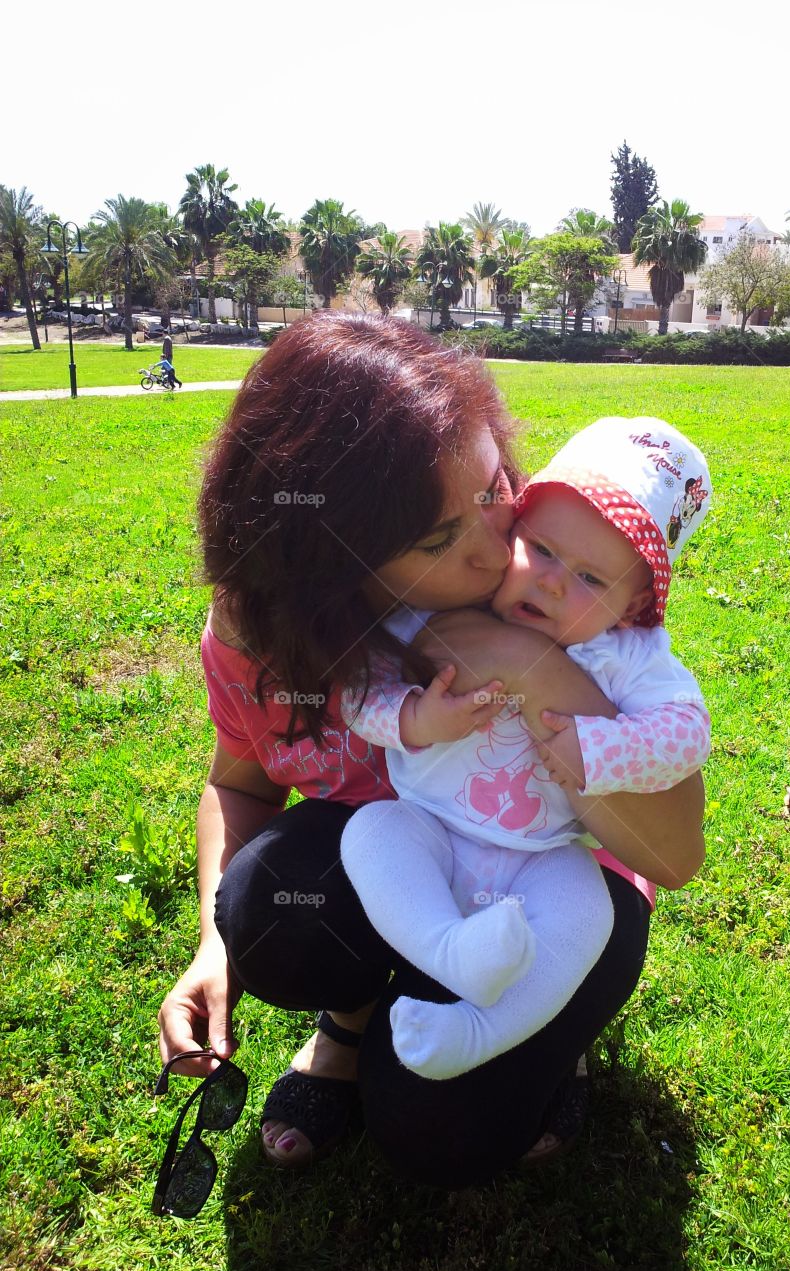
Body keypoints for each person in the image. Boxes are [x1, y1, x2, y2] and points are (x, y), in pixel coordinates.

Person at [157, 314, 707, 1188]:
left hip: (553, 885)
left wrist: (525, 663)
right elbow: (242, 783)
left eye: (494, 488)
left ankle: (549, 1038)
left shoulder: (553, 579)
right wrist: (211, 947)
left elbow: (677, 855)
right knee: (264, 908)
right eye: (437, 540)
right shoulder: (266, 640)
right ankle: (353, 1018)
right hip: (409, 871)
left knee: (438, 1134)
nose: (500, 550)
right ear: (331, 571)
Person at [339, 418, 711, 1081]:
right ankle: (447, 950)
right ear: (513, 532)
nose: (553, 583)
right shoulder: (447, 607)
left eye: (593, 580)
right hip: (427, 828)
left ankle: (481, 1031)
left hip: (537, 859)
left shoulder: (629, 657)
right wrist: (415, 718)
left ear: (633, 609)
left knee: (585, 911)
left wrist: (599, 751)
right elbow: (358, 685)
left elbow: (688, 734)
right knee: (370, 834)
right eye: (541, 549)